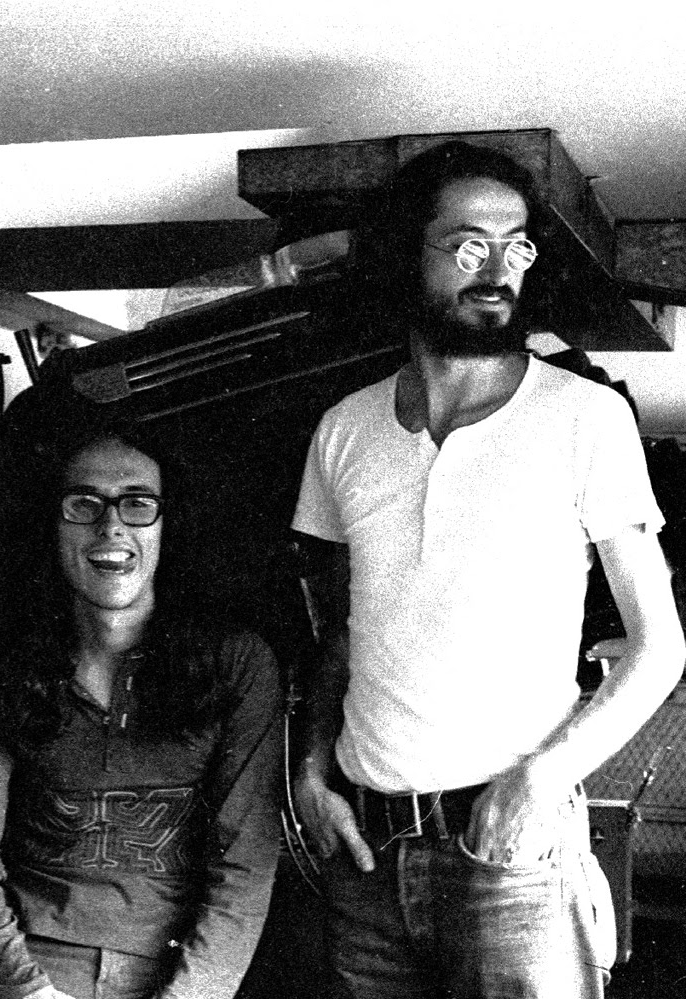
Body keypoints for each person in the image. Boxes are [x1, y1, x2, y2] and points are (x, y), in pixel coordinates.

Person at [291, 141, 686, 998]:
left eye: (516, 245)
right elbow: (343, 632)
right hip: (366, 854)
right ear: (406, 254)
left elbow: (660, 646)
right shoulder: (342, 430)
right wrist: (310, 773)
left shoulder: (585, 418)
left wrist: (541, 782)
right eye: (468, 243)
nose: (498, 268)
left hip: (512, 850)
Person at [0, 419, 282, 999]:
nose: (111, 526)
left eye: (138, 503)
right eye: (83, 504)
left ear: (172, 524)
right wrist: (30, 992)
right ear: (49, 525)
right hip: (26, 966)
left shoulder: (238, 663)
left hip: (178, 969)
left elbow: (245, 868)